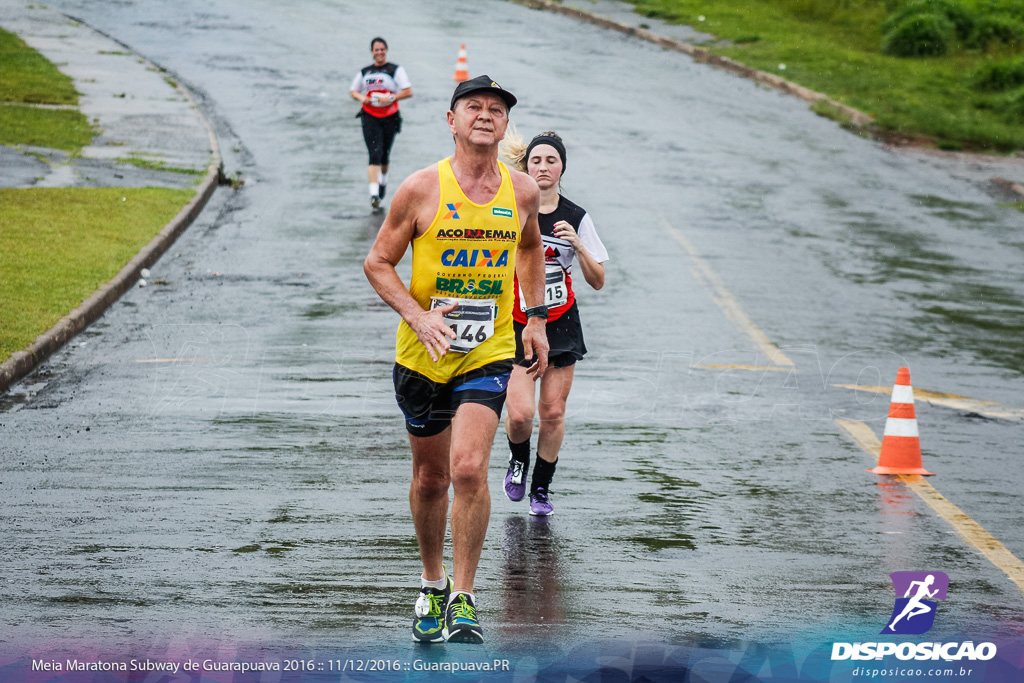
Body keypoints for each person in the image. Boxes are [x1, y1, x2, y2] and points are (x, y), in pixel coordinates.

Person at [363, 75, 550, 644]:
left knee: (468, 468)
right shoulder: (420, 189)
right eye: (474, 107)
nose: (486, 116)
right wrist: (419, 317)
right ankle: (431, 582)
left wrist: (536, 317)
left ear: (504, 125)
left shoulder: (520, 192)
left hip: (487, 352)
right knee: (430, 477)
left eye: (497, 109)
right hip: (422, 354)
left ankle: (465, 597)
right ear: (451, 120)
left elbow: (531, 247)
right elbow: (377, 263)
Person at [499, 130, 609, 517]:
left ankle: (541, 489)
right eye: (536, 161)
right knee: (519, 414)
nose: (543, 167)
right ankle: (517, 461)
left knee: (554, 412)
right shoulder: (510, 208)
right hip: (516, 322)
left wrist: (578, 246)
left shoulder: (577, 216)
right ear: (526, 166)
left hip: (561, 323)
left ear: (562, 167)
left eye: (551, 161)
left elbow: (597, 280)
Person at [350, 37, 412, 211]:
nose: (379, 52)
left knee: (384, 155)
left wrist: (390, 97)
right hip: (370, 116)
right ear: (372, 52)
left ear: (386, 50)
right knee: (374, 153)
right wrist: (364, 98)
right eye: (376, 50)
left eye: (382, 49)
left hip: (390, 116)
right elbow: (353, 90)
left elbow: (408, 91)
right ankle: (374, 195)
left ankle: (382, 183)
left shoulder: (395, 70)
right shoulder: (365, 72)